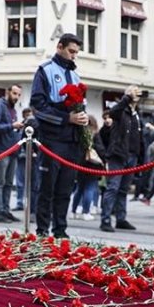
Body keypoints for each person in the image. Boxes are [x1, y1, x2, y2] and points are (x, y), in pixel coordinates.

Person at [31, 33, 87, 238]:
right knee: (47, 188)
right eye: (71, 51)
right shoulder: (45, 70)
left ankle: (61, 230)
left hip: (72, 141)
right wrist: (66, 119)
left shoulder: (76, 75)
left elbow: (81, 105)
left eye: (76, 53)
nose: (74, 56)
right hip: (52, 140)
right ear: (59, 47)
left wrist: (82, 118)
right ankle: (42, 229)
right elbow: (37, 106)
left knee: (65, 189)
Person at [99, 85, 143, 232]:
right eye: (132, 92)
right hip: (118, 155)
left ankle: (120, 218)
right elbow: (113, 112)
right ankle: (105, 219)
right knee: (113, 187)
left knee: (124, 189)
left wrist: (140, 157)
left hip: (132, 155)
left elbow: (139, 137)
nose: (136, 95)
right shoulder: (120, 111)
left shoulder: (136, 114)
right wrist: (127, 97)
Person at [0, 84, 24, 223]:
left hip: (12, 150)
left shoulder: (12, 110)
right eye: (14, 93)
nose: (16, 97)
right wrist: (11, 126)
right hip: (2, 150)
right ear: (7, 92)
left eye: (19, 95)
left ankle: (6, 210)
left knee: (8, 183)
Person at [71, 115, 104, 220]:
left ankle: (73, 211)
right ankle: (86, 212)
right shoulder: (95, 134)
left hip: (80, 164)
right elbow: (101, 149)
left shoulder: (79, 133)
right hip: (92, 165)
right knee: (89, 188)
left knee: (79, 189)